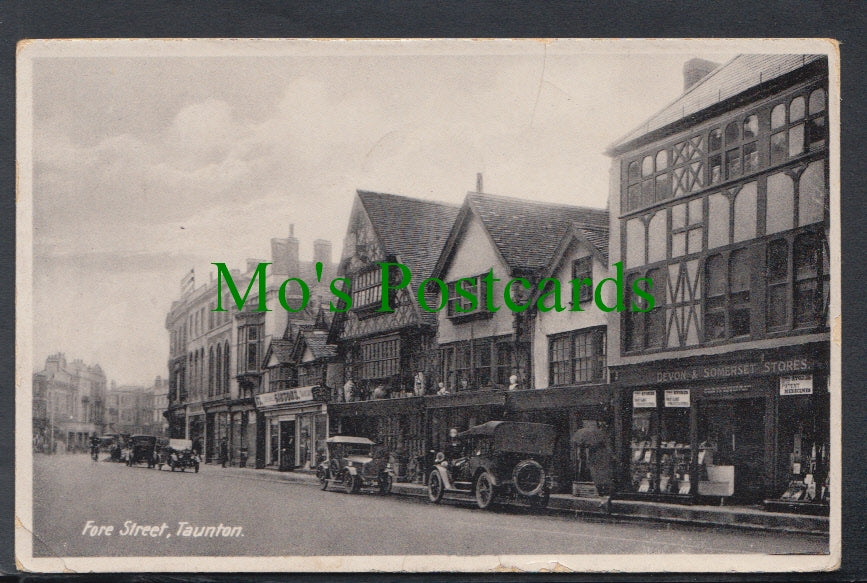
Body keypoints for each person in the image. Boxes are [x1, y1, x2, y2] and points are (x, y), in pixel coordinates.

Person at [572, 417, 615, 513]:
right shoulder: (601, 439)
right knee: (604, 481)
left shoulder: (591, 448)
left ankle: (604, 499)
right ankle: (606, 499)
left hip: (597, 464)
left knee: (599, 481)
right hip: (601, 463)